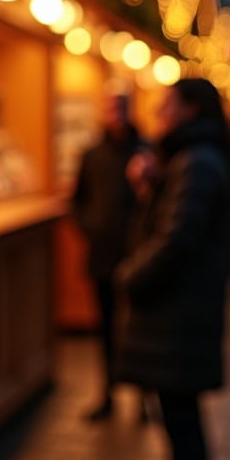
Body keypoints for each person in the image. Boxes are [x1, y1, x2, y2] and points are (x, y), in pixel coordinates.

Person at [116, 78, 230, 460]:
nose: (159, 112)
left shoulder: (196, 162)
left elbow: (177, 238)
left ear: (189, 109)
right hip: (185, 309)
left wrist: (130, 277)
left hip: (179, 312)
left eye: (167, 104)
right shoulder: (192, 158)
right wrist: (151, 187)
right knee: (180, 415)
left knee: (180, 417)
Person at [71, 90, 144, 421]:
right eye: (112, 108)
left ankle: (143, 398)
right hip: (102, 253)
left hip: (137, 254)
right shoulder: (92, 154)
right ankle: (108, 393)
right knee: (106, 327)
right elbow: (78, 199)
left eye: (121, 108)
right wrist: (92, 227)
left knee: (138, 326)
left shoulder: (145, 151)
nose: (116, 114)